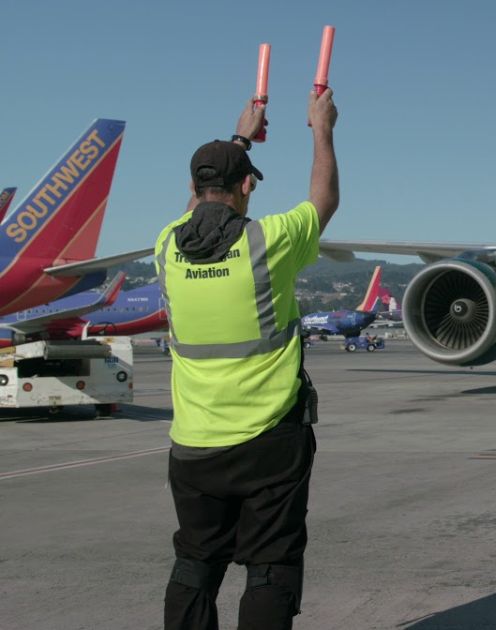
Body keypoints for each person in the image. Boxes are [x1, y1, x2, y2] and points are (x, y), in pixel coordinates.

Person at [157, 88, 338, 630]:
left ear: (193, 186)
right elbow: (323, 200)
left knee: (194, 565)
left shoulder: (166, 244)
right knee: (269, 568)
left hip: (194, 446)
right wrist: (321, 128)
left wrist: (238, 136)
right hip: (268, 444)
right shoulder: (268, 241)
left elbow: (197, 212)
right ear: (246, 186)